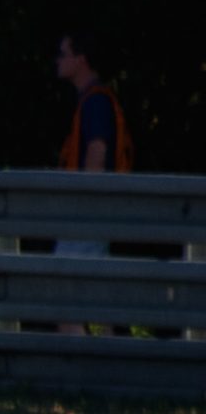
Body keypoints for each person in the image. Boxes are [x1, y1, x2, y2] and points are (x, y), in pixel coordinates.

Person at [54, 28, 131, 333]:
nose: (57, 61)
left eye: (63, 54)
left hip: (87, 210)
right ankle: (106, 359)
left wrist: (83, 200)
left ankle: (80, 369)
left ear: (81, 60)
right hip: (94, 210)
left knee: (62, 289)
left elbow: (97, 151)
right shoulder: (93, 99)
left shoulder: (95, 102)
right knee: (91, 295)